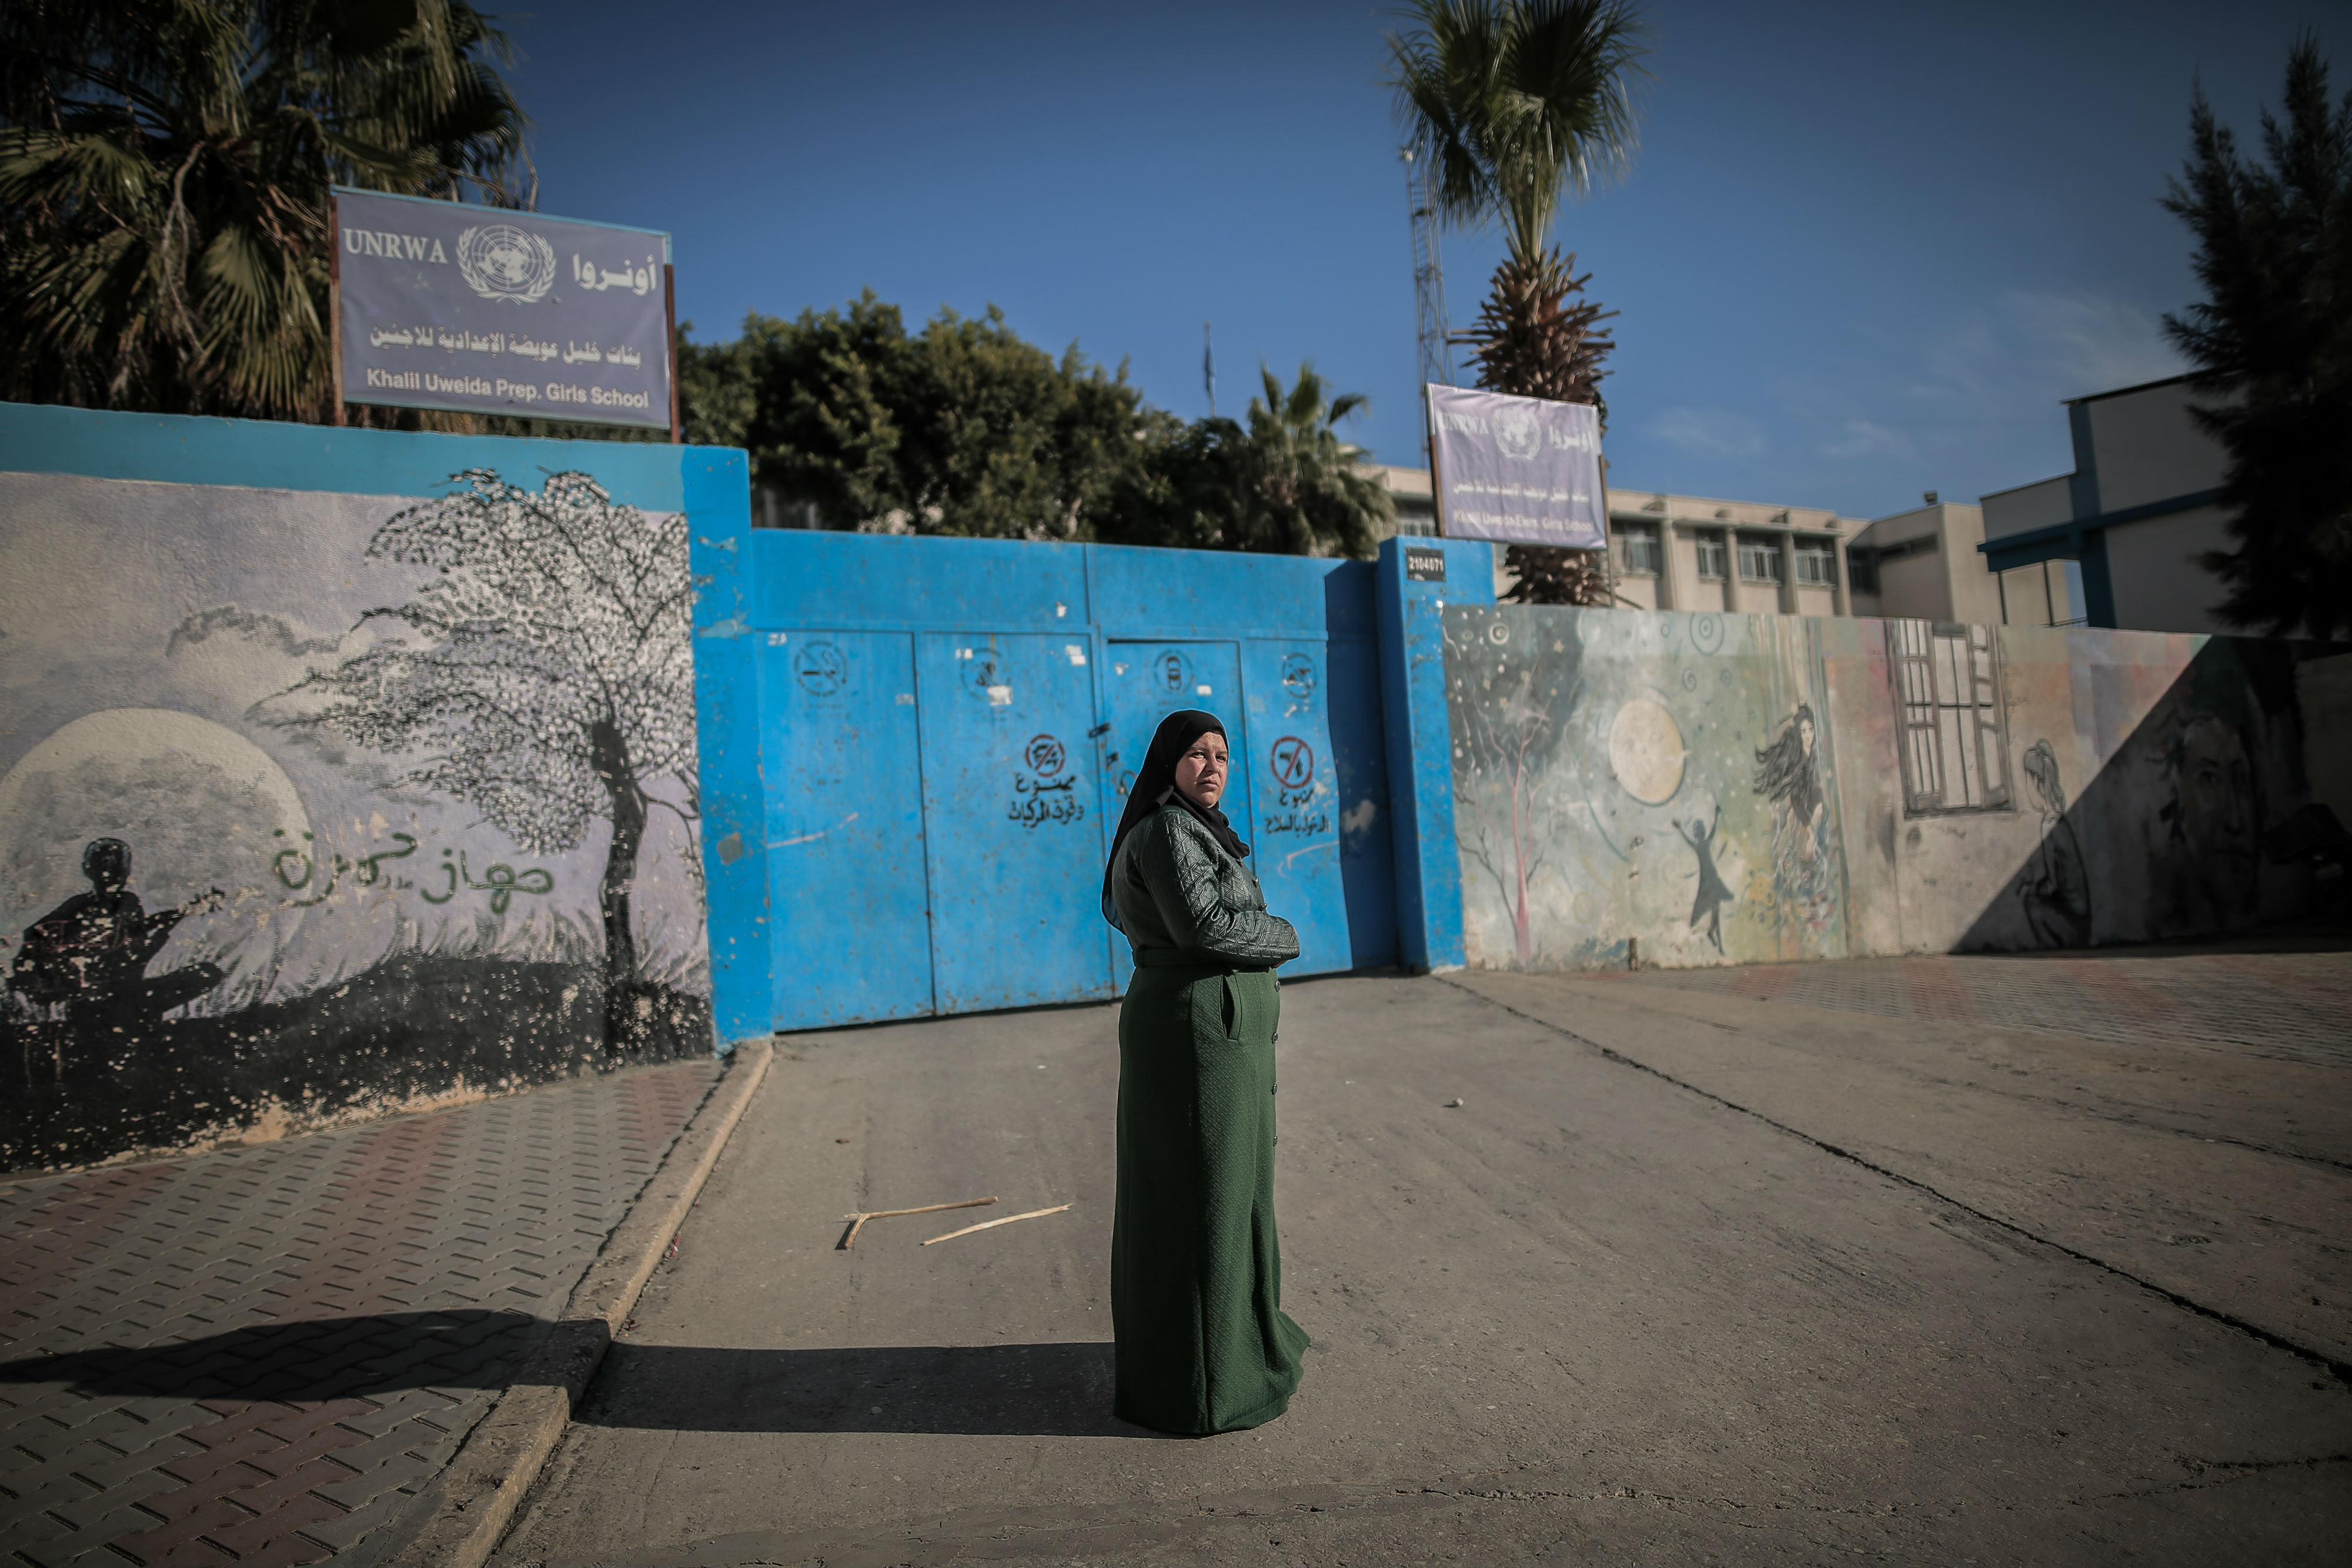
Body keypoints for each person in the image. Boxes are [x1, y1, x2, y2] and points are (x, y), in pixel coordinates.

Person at [1099, 710, 1305, 1434]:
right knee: (1202, 1200)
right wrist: (1285, 935)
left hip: (1221, 1036)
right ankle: (1206, 1382)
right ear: (1167, 763)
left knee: (1233, 1192)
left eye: (1222, 754)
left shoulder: (1199, 830)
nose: (1212, 766)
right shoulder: (1165, 831)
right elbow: (1207, 929)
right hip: (1196, 1039)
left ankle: (1238, 1346)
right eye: (1196, 754)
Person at [9, 838, 225, 1043]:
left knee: (206, 973)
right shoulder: (78, 907)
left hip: (126, 995)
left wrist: (174, 920)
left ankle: (134, 1021)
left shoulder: (128, 904)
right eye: (104, 864)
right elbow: (35, 938)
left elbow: (138, 949)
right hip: (94, 1002)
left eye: (114, 866)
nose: (109, 872)